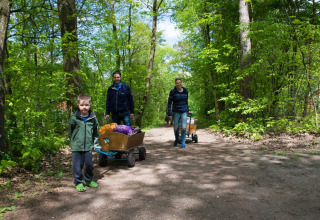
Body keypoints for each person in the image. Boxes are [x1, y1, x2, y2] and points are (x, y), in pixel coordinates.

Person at [68, 94, 99, 192]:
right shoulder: (74, 118)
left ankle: (88, 180)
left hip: (88, 146)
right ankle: (78, 182)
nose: (84, 107)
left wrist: (95, 143)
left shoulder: (93, 118)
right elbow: (70, 131)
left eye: (86, 105)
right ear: (78, 105)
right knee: (77, 165)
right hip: (77, 146)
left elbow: (95, 132)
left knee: (89, 164)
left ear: (90, 105)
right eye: (82, 105)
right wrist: (73, 141)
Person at [167, 77, 189, 148]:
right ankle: (177, 138)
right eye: (177, 83)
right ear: (175, 84)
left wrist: (187, 109)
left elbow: (186, 101)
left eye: (179, 82)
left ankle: (183, 142)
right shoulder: (172, 92)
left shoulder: (185, 90)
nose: (178, 84)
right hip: (176, 112)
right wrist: (169, 113)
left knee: (183, 128)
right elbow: (169, 103)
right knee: (176, 128)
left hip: (184, 111)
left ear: (181, 83)